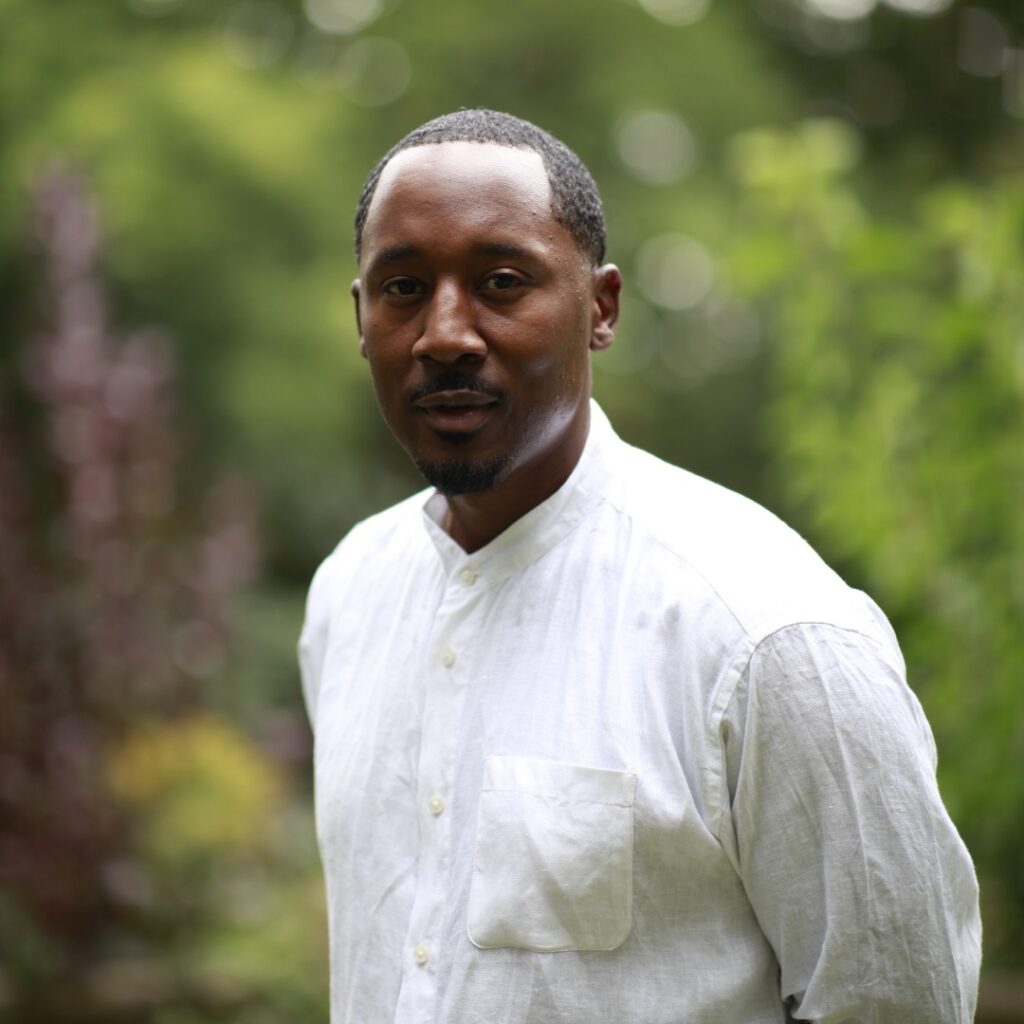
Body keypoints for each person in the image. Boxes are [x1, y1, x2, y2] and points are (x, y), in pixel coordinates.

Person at [298, 109, 981, 1024]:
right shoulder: (350, 596)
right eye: (404, 288)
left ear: (602, 308)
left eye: (502, 282)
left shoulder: (768, 635)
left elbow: (898, 1000)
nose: (446, 333)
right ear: (361, 317)